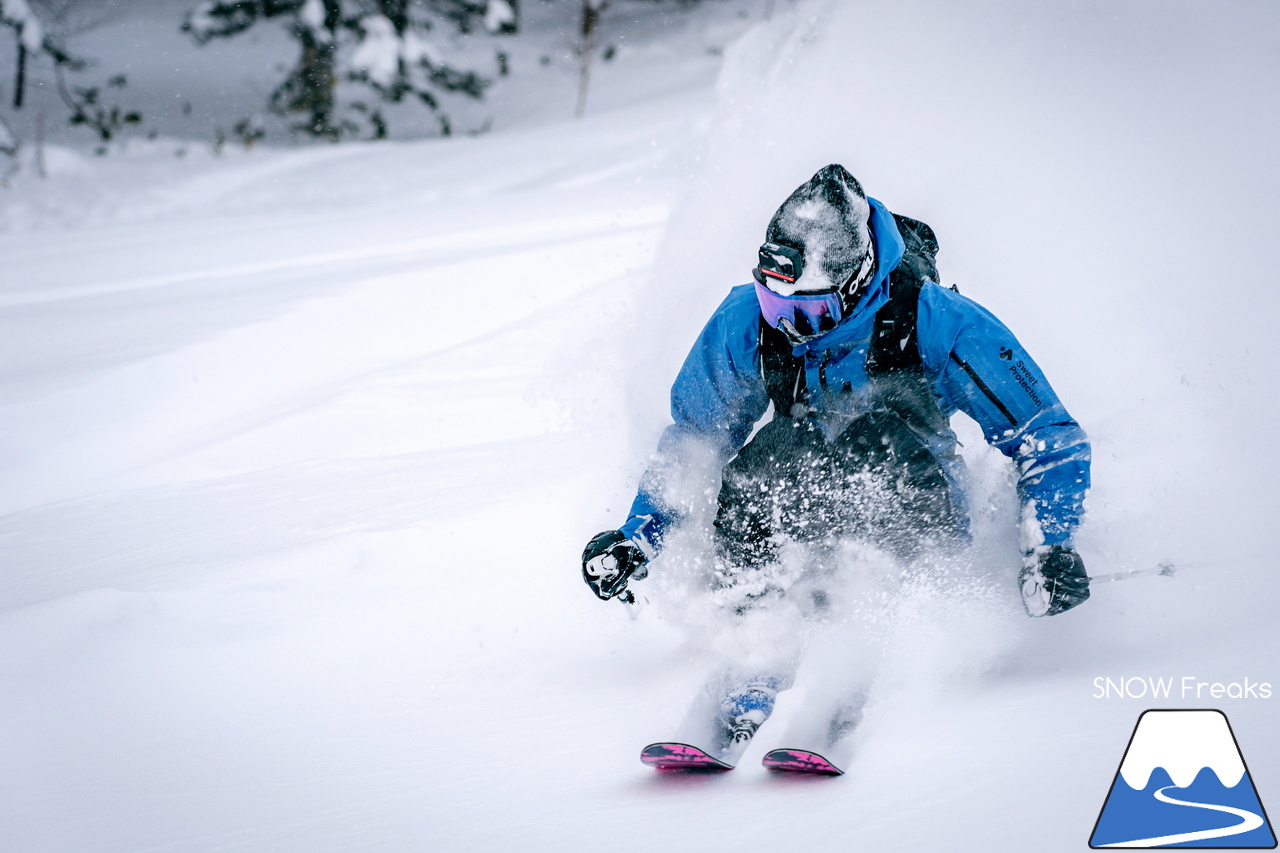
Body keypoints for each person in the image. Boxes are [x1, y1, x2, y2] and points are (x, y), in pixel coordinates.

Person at [580, 164, 1092, 761]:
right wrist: (638, 536)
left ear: (852, 286)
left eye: (810, 313)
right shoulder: (747, 322)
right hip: (805, 501)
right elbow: (696, 441)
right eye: (776, 306)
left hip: (914, 498)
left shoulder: (937, 321)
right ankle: (754, 653)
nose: (791, 327)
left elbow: (1045, 434)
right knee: (765, 461)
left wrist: (1049, 546)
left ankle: (866, 664)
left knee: (872, 439)